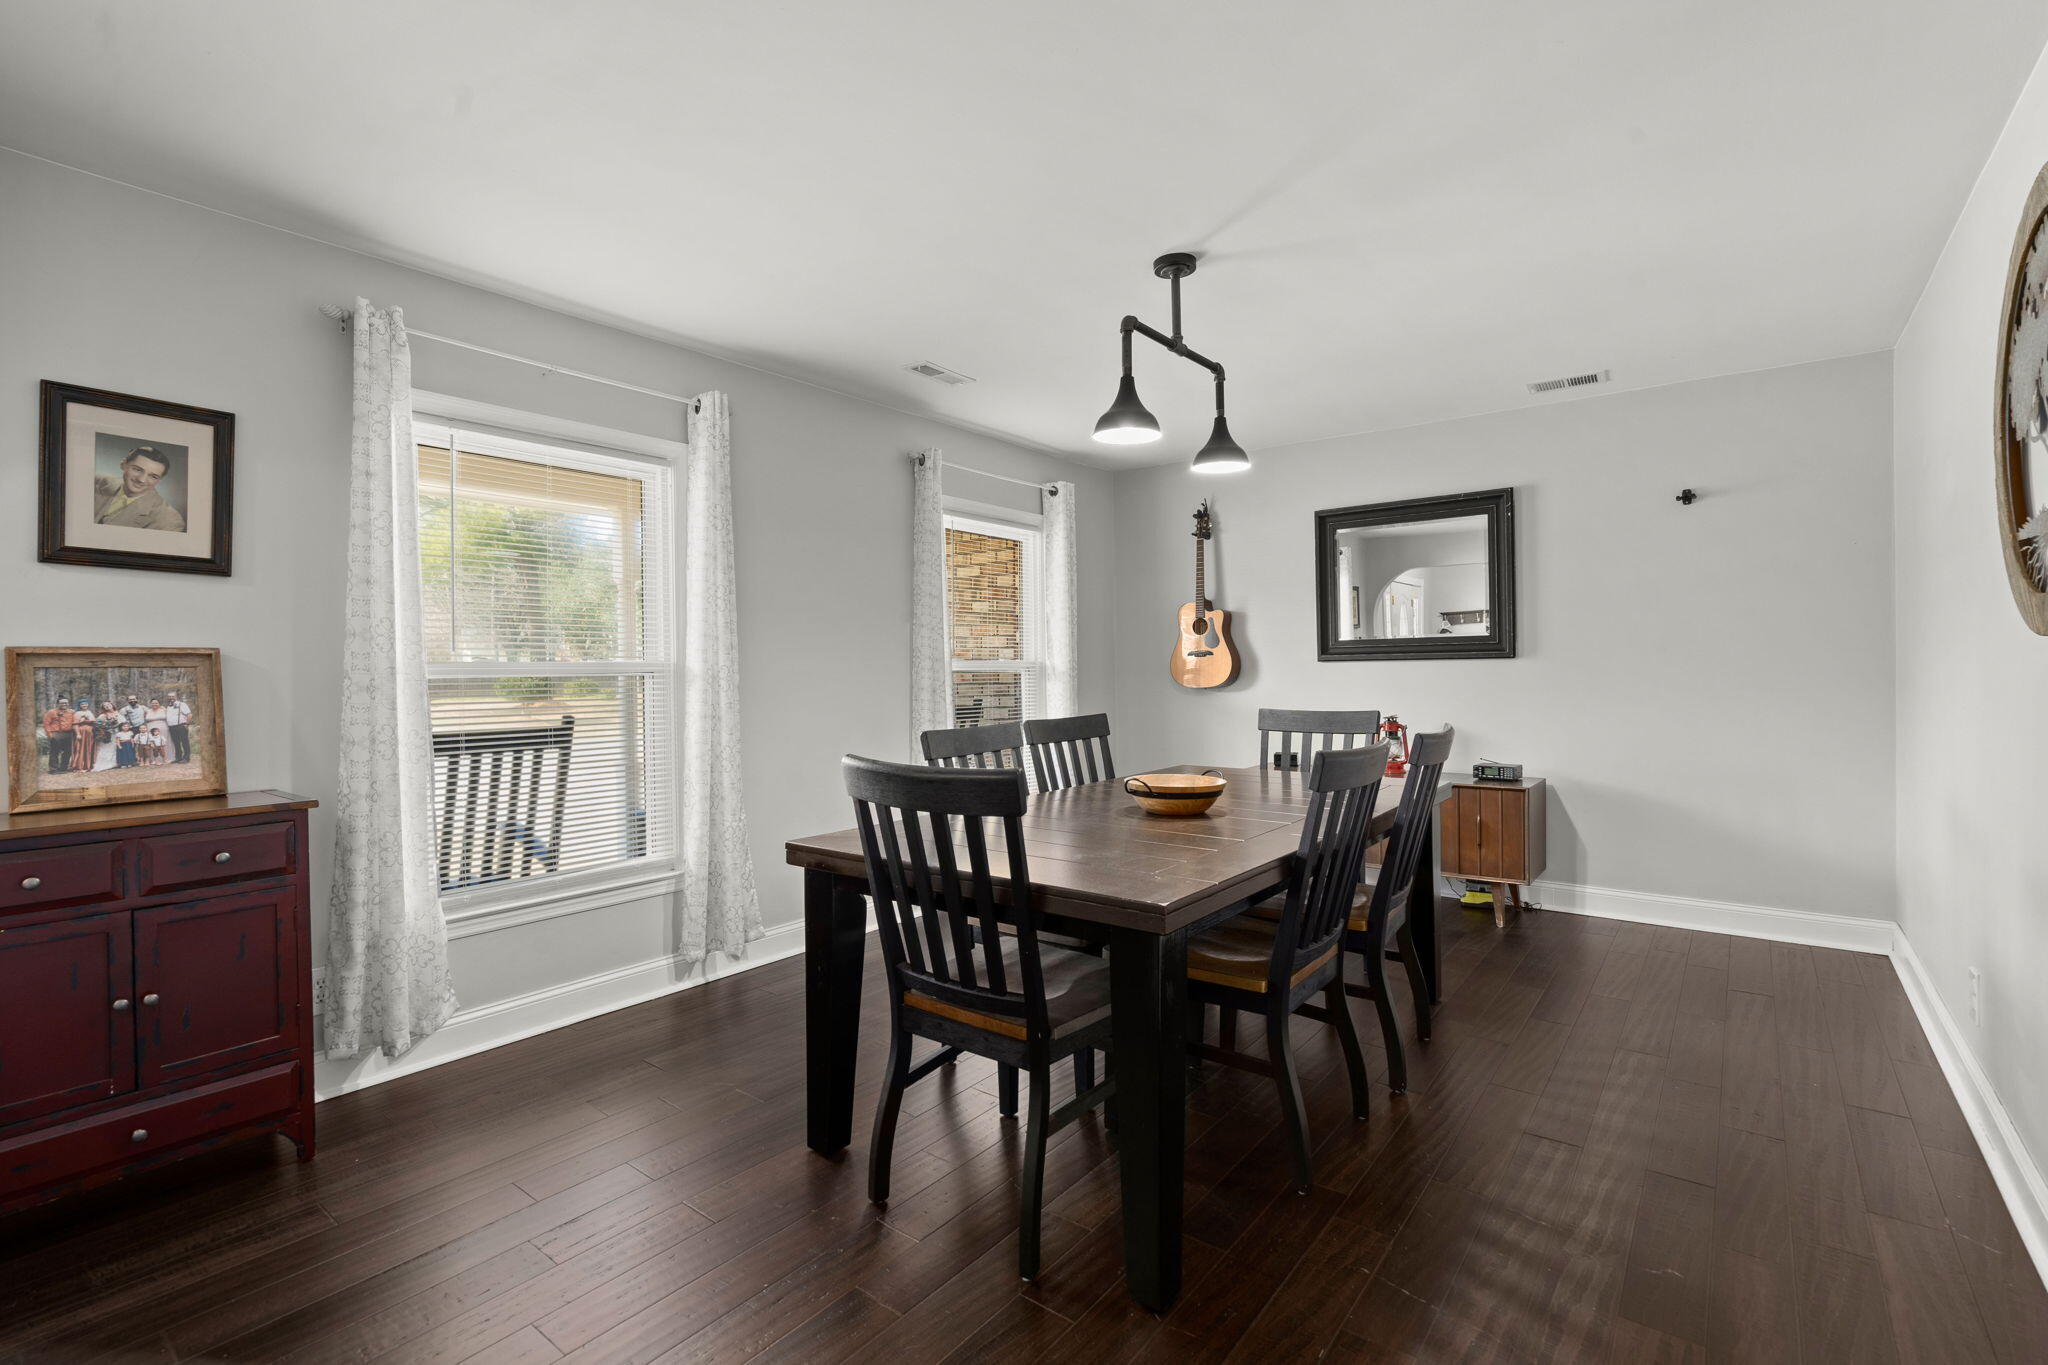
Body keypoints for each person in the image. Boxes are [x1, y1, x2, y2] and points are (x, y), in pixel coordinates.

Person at [93, 445, 185, 532]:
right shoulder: (96, 481)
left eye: (153, 476)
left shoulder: (170, 521)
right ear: (123, 465)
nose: (141, 480)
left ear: (159, 480)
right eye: (137, 469)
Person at [43, 696, 73, 774]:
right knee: (54, 751)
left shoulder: (72, 712)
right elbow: (46, 724)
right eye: (62, 703)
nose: (64, 704)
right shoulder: (51, 712)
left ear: (68, 703)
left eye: (66, 703)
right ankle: (53, 769)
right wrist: (50, 735)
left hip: (68, 734)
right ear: (57, 704)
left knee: (68, 751)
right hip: (56, 734)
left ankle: (63, 768)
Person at [166, 690, 192, 764]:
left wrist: (187, 724)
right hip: (172, 727)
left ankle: (186, 758)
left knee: (184, 742)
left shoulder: (182, 704)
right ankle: (178, 757)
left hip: (181, 726)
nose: (171, 698)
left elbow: (189, 715)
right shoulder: (168, 706)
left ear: (176, 697)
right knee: (176, 743)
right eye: (169, 697)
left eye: (172, 696)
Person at [93, 702, 120, 772]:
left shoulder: (118, 713)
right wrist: (107, 726)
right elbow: (97, 724)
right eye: (105, 706)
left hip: (118, 733)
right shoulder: (103, 715)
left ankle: (115, 762)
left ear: (112, 705)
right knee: (107, 748)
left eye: (108, 705)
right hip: (109, 733)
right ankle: (105, 764)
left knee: (115, 748)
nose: (107, 706)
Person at [71, 702, 96, 773]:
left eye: (85, 704)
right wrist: (78, 733)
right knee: (81, 748)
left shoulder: (90, 712)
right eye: (82, 704)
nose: (84, 705)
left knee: (89, 748)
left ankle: (88, 765)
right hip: (82, 732)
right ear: (79, 705)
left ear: (88, 705)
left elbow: (94, 722)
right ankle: (80, 766)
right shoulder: (77, 713)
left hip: (90, 733)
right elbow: (75, 724)